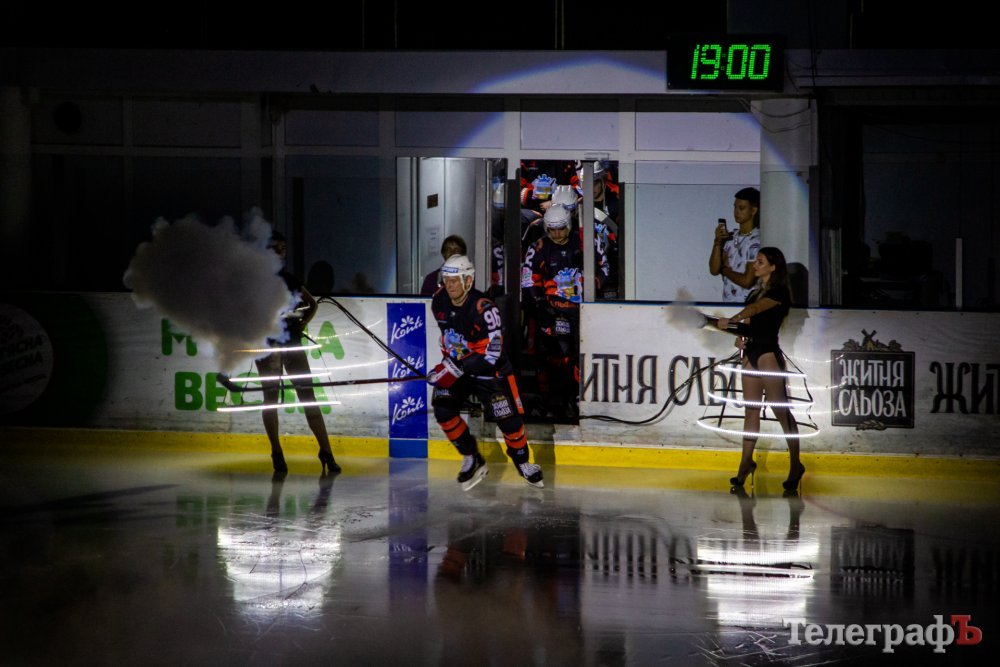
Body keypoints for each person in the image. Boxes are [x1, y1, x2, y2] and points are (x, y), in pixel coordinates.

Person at [429, 254, 544, 490]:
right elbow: (448, 336)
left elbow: (491, 355)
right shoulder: (439, 300)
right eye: (446, 280)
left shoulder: (485, 309)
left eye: (454, 280)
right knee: (442, 408)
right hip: (459, 368)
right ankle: (472, 457)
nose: (449, 285)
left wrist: (457, 367)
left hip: (490, 373)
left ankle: (523, 462)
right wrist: (445, 366)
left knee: (509, 421)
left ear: (468, 280)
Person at [716, 246, 805, 491]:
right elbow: (749, 323)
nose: (754, 265)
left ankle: (795, 464)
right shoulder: (754, 293)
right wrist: (738, 336)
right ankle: (745, 463)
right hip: (750, 353)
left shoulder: (779, 293)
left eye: (760, 261)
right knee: (751, 411)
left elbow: (756, 310)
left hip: (767, 354)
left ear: (773, 267)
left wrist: (732, 320)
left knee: (781, 411)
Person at [256, 231, 341, 475]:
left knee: (307, 397)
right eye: (275, 248)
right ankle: (277, 452)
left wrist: (301, 323)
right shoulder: (258, 281)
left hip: (291, 344)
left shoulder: (288, 279)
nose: (280, 252)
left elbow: (312, 304)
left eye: (283, 248)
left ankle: (326, 451)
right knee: (272, 399)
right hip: (269, 346)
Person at [521, 204, 608, 418]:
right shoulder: (538, 247)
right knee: (558, 354)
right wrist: (541, 304)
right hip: (554, 310)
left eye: (561, 229)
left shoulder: (587, 241)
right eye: (552, 230)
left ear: (568, 225)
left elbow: (605, 267)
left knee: (583, 355)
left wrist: (593, 282)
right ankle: (555, 398)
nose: (557, 234)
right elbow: (528, 279)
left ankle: (579, 397)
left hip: (585, 310)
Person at [709, 186, 761, 303]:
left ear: (753, 210)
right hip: (728, 303)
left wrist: (724, 270)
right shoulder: (730, 237)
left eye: (741, 208)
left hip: (747, 305)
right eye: (735, 207)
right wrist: (717, 242)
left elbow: (747, 281)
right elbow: (714, 270)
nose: (736, 212)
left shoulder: (756, 241)